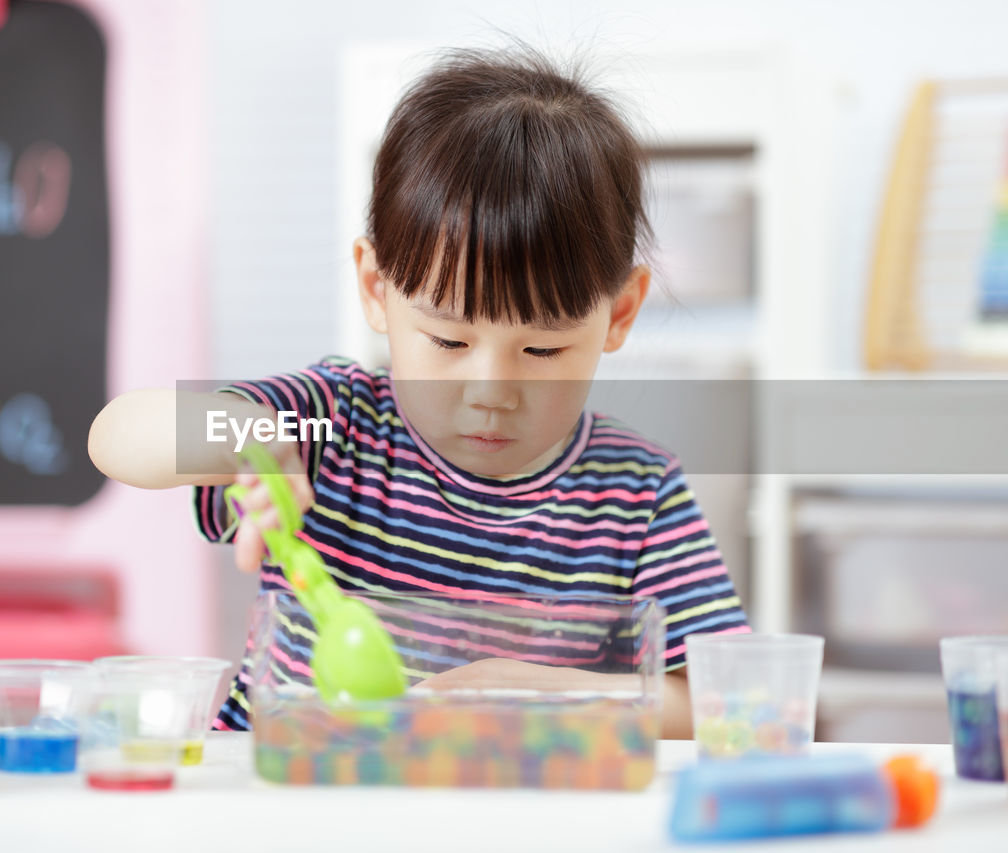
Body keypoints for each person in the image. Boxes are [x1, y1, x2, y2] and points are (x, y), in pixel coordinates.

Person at [88, 45, 749, 739]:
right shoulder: (330, 429)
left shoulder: (635, 492)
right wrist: (245, 436)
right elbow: (116, 435)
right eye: (448, 342)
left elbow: (721, 698)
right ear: (378, 290)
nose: (491, 391)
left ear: (618, 314)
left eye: (543, 349)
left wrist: (556, 695)